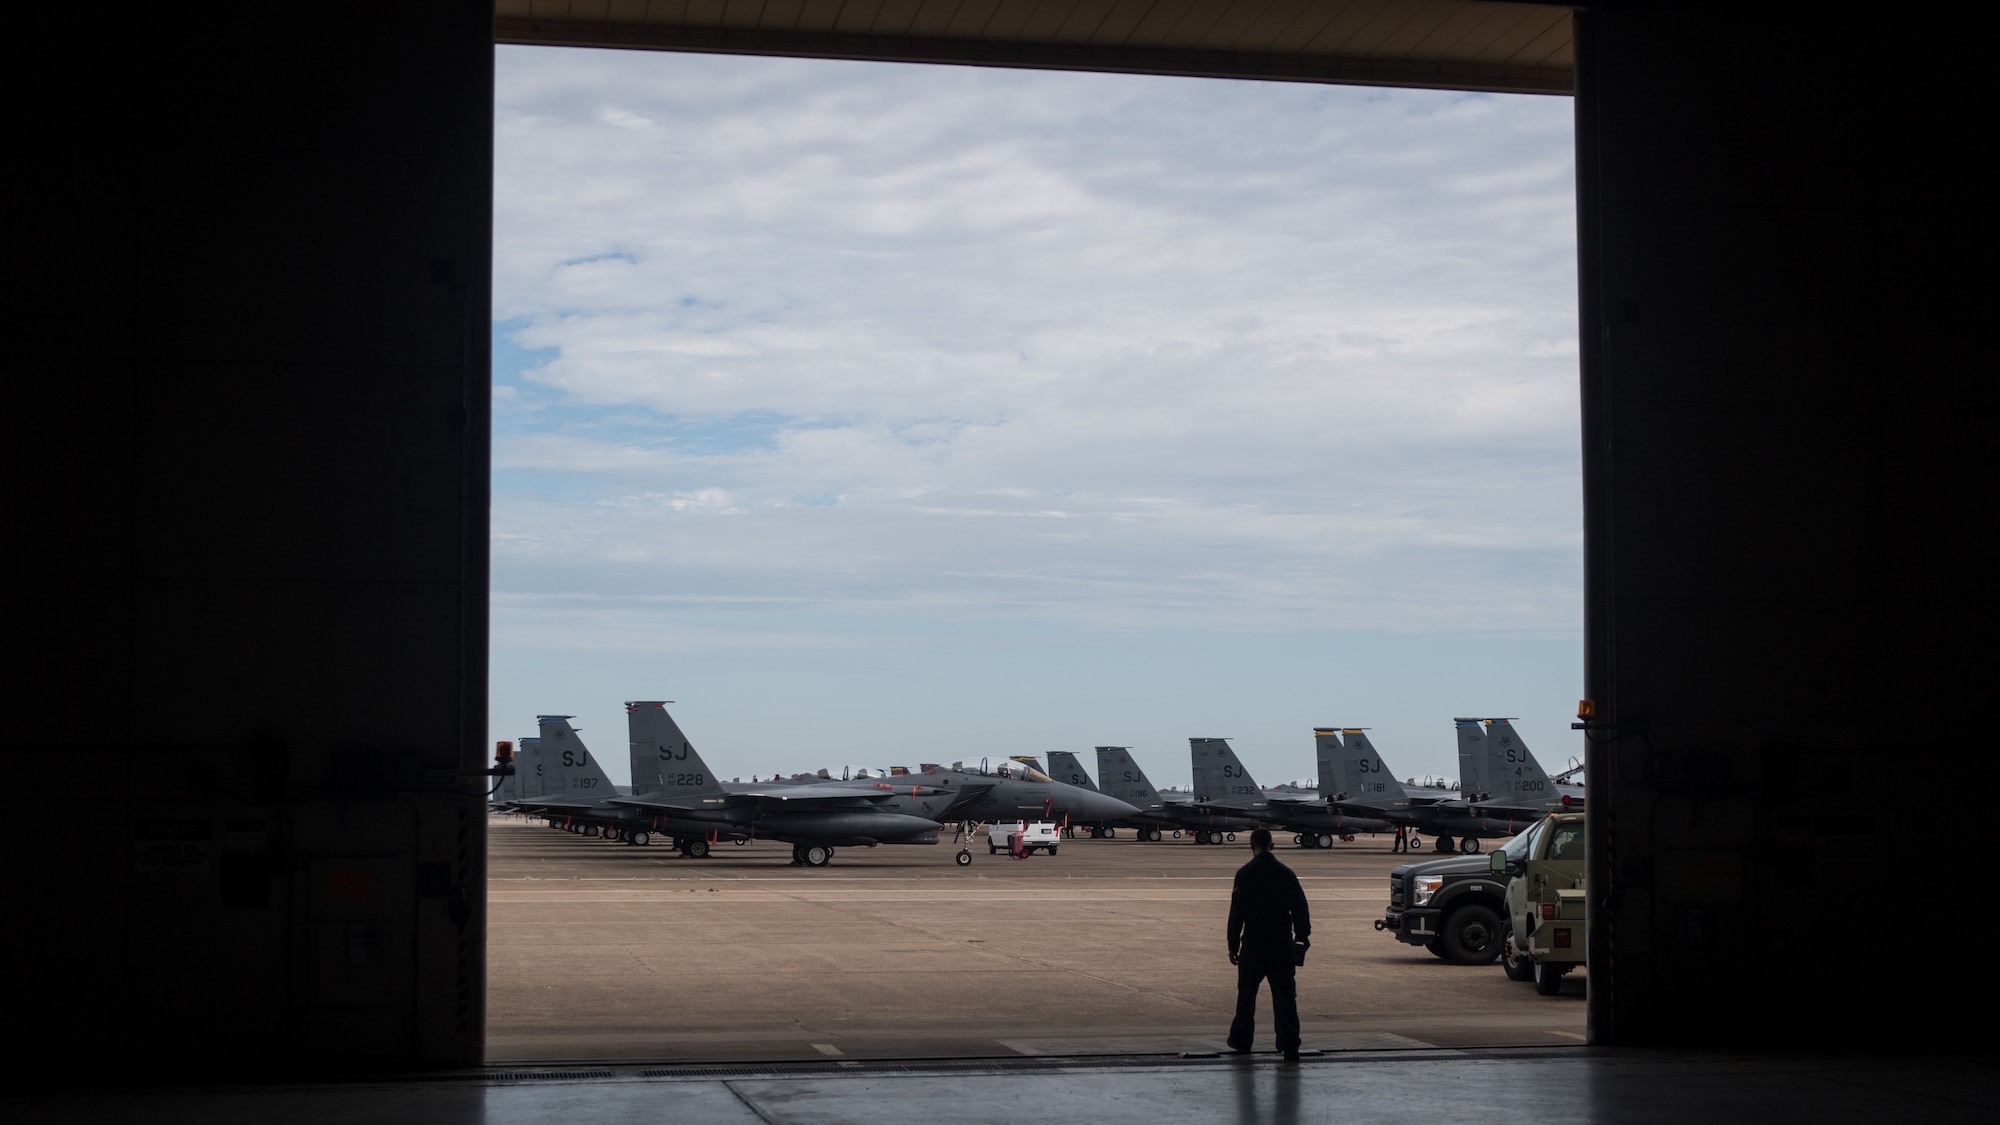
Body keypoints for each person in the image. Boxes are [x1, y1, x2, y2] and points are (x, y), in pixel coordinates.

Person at [1226, 827, 1311, 1060]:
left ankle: (1242, 1041)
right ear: (1272, 845)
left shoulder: (1244, 874)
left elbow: (1237, 913)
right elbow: (1300, 909)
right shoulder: (1286, 873)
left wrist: (1232, 944)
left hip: (1253, 945)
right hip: (1280, 944)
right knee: (1285, 997)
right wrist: (1302, 939)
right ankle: (1289, 1043)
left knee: (1246, 996)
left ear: (1251, 846)